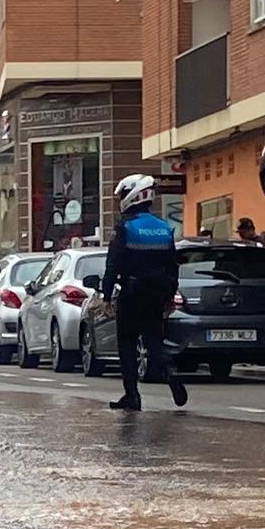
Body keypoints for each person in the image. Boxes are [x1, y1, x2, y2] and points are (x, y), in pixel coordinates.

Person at [105, 173, 186, 414]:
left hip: (131, 294)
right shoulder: (164, 229)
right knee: (154, 341)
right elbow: (173, 266)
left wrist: (106, 295)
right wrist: (170, 296)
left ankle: (132, 395)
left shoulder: (125, 228)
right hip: (157, 295)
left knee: (127, 343)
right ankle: (170, 374)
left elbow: (113, 265)